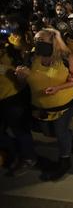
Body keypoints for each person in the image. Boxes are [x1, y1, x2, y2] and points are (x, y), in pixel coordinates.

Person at [15, 28, 73, 180]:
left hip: (63, 103)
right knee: (47, 132)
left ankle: (65, 160)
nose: (38, 43)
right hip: (40, 105)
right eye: (36, 40)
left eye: (42, 40)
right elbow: (24, 83)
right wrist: (21, 77)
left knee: (60, 132)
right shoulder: (31, 57)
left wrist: (58, 88)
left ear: (52, 42)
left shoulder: (65, 57)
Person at [0, 28, 36, 176]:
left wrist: (12, 72)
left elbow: (24, 81)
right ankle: (13, 151)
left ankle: (28, 157)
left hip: (12, 100)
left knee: (20, 131)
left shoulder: (11, 57)